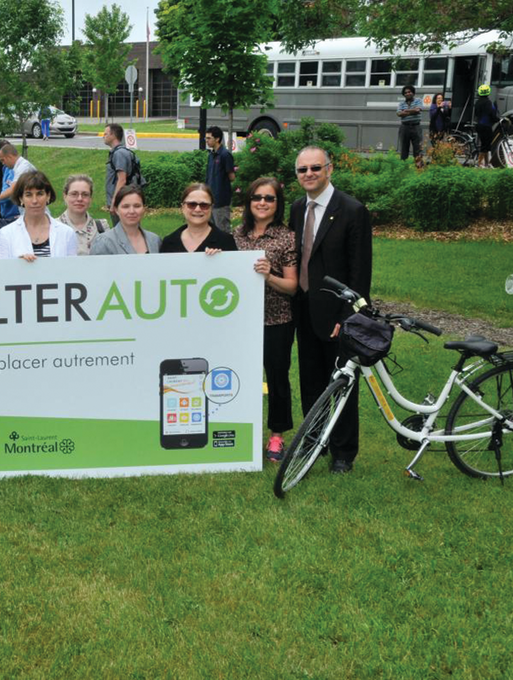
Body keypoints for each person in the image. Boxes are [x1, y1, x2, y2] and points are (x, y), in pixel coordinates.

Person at [292, 146, 372, 474]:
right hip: (304, 309)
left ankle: (343, 452)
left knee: (341, 384)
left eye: (315, 168)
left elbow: (360, 271)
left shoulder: (352, 210)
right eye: (302, 170)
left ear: (330, 169)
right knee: (310, 382)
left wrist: (348, 316)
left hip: (339, 315)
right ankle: (314, 442)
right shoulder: (298, 209)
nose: (309, 174)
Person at [232, 177, 298, 463]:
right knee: (238, 378)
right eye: (257, 197)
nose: (262, 203)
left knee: (277, 378)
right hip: (239, 322)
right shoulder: (236, 235)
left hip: (276, 320)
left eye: (269, 198)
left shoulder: (287, 237)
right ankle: (239, 432)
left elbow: (292, 286)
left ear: (277, 204)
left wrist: (270, 275)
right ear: (249, 202)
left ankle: (276, 436)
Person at [0, 170, 78, 260]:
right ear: (21, 198)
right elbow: (1, 271)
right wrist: (18, 266)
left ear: (48, 196)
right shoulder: (5, 234)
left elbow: (71, 270)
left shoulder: (67, 233)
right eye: (28, 195)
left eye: (40, 194)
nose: (34, 201)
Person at [159, 183, 238, 254]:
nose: (197, 209)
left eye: (204, 205)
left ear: (211, 208)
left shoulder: (226, 241)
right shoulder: (169, 242)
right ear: (182, 207)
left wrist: (221, 259)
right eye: (192, 204)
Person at [90, 185, 161, 255]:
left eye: (137, 206)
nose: (132, 211)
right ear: (116, 210)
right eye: (125, 206)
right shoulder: (104, 242)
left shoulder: (155, 240)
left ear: (143, 209)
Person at [57, 174, 109, 255]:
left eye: (85, 194)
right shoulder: (52, 228)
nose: (79, 199)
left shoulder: (102, 228)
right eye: (74, 194)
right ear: (65, 196)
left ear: (90, 198)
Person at [204, 126, 236, 233]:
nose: (206, 141)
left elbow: (232, 176)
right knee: (211, 230)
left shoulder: (225, 155)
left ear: (217, 139)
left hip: (221, 200)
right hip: (210, 199)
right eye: (206, 138)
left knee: (222, 229)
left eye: (209, 138)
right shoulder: (211, 155)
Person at [103, 122, 133, 225]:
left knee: (121, 234)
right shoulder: (118, 152)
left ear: (113, 135)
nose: (103, 136)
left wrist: (114, 202)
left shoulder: (119, 153)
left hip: (120, 203)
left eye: (106, 134)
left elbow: (122, 179)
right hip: (120, 202)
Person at [0, 142, 36, 222]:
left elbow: (13, 190)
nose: (3, 163)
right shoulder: (18, 168)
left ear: (9, 157)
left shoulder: (23, 168)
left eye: (3, 160)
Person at [396, 85, 423, 163]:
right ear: (404, 95)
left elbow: (417, 110)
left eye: (409, 92)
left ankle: (418, 168)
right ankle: (403, 167)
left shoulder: (418, 100)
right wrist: (412, 111)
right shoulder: (401, 103)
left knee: (418, 148)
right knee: (404, 149)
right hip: (404, 127)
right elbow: (398, 114)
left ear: (413, 93)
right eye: (405, 93)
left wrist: (405, 111)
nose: (407, 94)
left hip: (416, 126)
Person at [474, 84, 499, 169]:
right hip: (486, 126)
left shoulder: (478, 102)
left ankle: (487, 163)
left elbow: (477, 114)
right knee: (486, 145)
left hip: (479, 125)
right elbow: (492, 114)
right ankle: (479, 163)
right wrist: (497, 119)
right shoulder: (488, 102)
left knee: (485, 145)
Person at [0, 138, 19, 223]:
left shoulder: (14, 169)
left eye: (2, 159)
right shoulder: (6, 168)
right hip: (6, 213)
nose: (1, 162)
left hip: (13, 214)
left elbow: (11, 192)